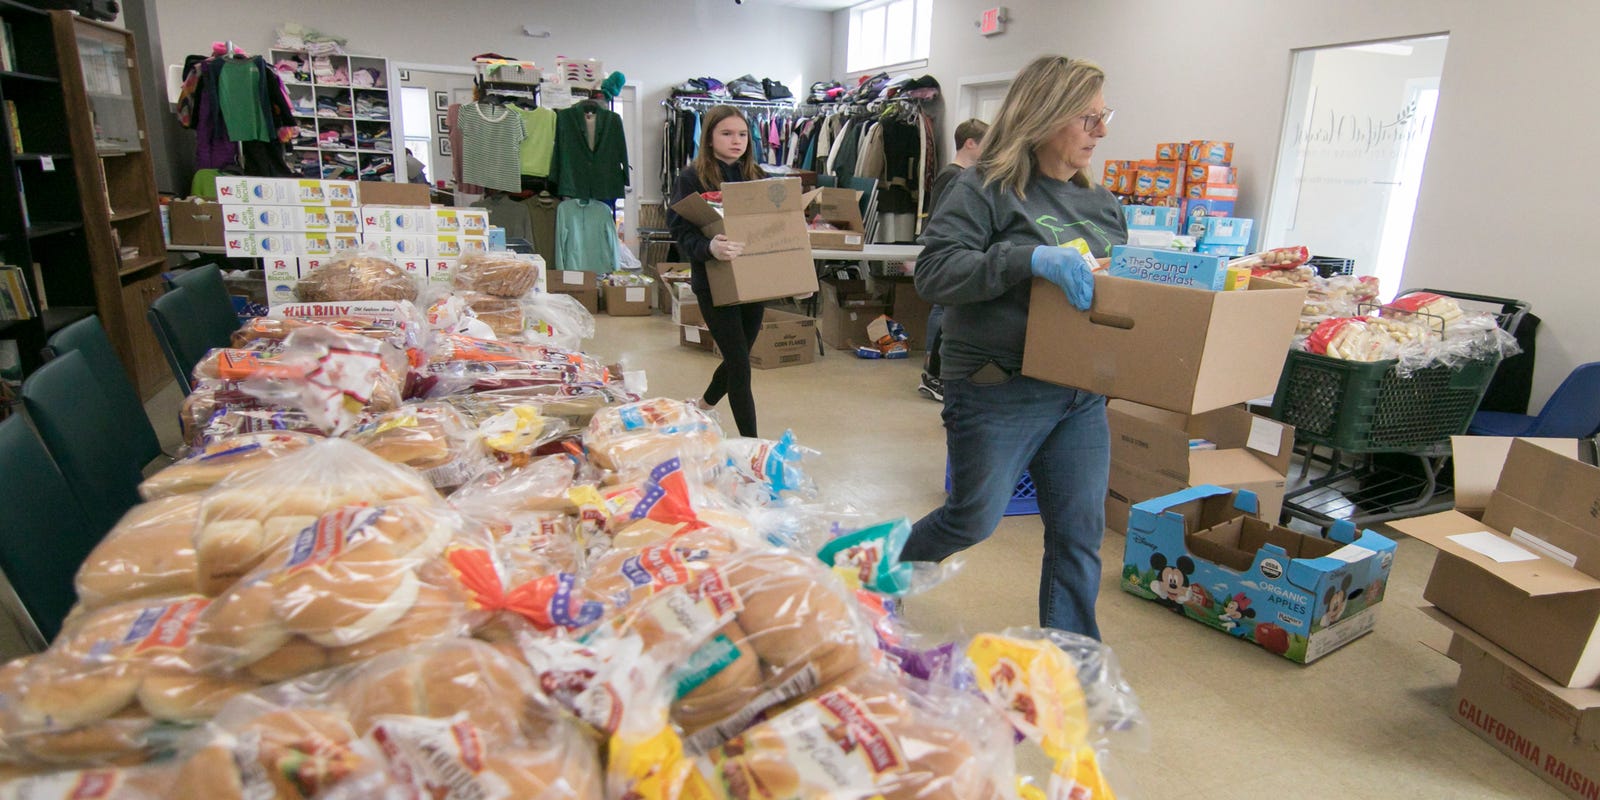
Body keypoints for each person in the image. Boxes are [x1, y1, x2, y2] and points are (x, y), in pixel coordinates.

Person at [902, 55, 1126, 640]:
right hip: (999, 384)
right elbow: (934, 273)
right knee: (972, 518)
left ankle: (1077, 664)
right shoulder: (985, 190)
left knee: (1079, 534)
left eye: (1105, 117)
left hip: (1079, 392)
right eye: (1088, 118)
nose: (1101, 132)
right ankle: (879, 573)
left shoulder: (1103, 205)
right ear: (1046, 114)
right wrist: (1026, 258)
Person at [666, 105, 766, 437]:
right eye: (726, 133)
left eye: (742, 134)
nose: (736, 141)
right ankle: (752, 446)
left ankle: (704, 406)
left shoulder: (756, 176)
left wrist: (792, 273)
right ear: (709, 138)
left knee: (738, 358)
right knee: (739, 364)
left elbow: (771, 231)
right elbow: (681, 231)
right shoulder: (691, 177)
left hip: (752, 282)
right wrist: (710, 248)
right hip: (714, 282)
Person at [919, 118, 990, 402]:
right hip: (947, 250)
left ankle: (933, 369)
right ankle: (933, 371)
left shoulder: (960, 175)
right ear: (970, 143)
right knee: (941, 311)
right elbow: (942, 219)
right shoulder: (955, 176)